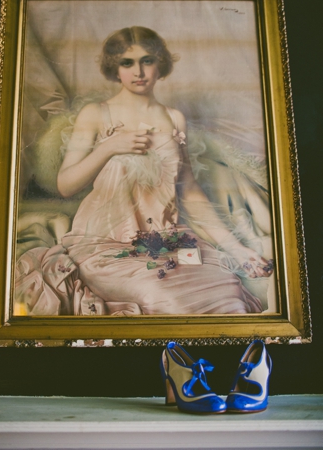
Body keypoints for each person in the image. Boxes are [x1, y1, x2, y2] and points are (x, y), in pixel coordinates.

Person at [15, 26, 270, 316]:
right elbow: (65, 186)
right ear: (115, 67)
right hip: (106, 244)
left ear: (160, 64)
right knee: (163, 299)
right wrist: (108, 147)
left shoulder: (174, 118)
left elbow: (189, 191)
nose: (139, 71)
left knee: (228, 292)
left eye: (147, 60)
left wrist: (236, 247)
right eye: (127, 62)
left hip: (168, 241)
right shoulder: (96, 114)